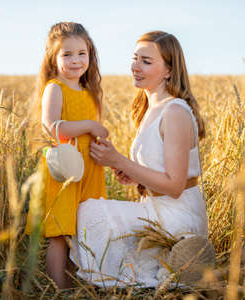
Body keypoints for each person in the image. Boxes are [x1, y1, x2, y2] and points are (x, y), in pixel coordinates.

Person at [69, 31, 211, 287]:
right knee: (89, 213)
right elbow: (156, 171)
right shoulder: (150, 110)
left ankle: (180, 255)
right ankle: (165, 263)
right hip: (154, 208)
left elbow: (175, 186)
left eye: (146, 61)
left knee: (90, 212)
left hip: (177, 214)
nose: (136, 66)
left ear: (169, 70)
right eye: (135, 58)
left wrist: (123, 162)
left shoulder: (175, 111)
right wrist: (132, 175)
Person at [25, 22, 109, 289]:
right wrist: (89, 126)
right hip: (65, 168)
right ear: (54, 58)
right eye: (67, 54)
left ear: (90, 55)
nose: (76, 60)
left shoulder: (88, 92)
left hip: (90, 166)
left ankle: (77, 282)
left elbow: (89, 130)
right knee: (60, 233)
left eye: (81, 53)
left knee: (82, 229)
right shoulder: (55, 88)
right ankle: (59, 289)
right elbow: (51, 126)